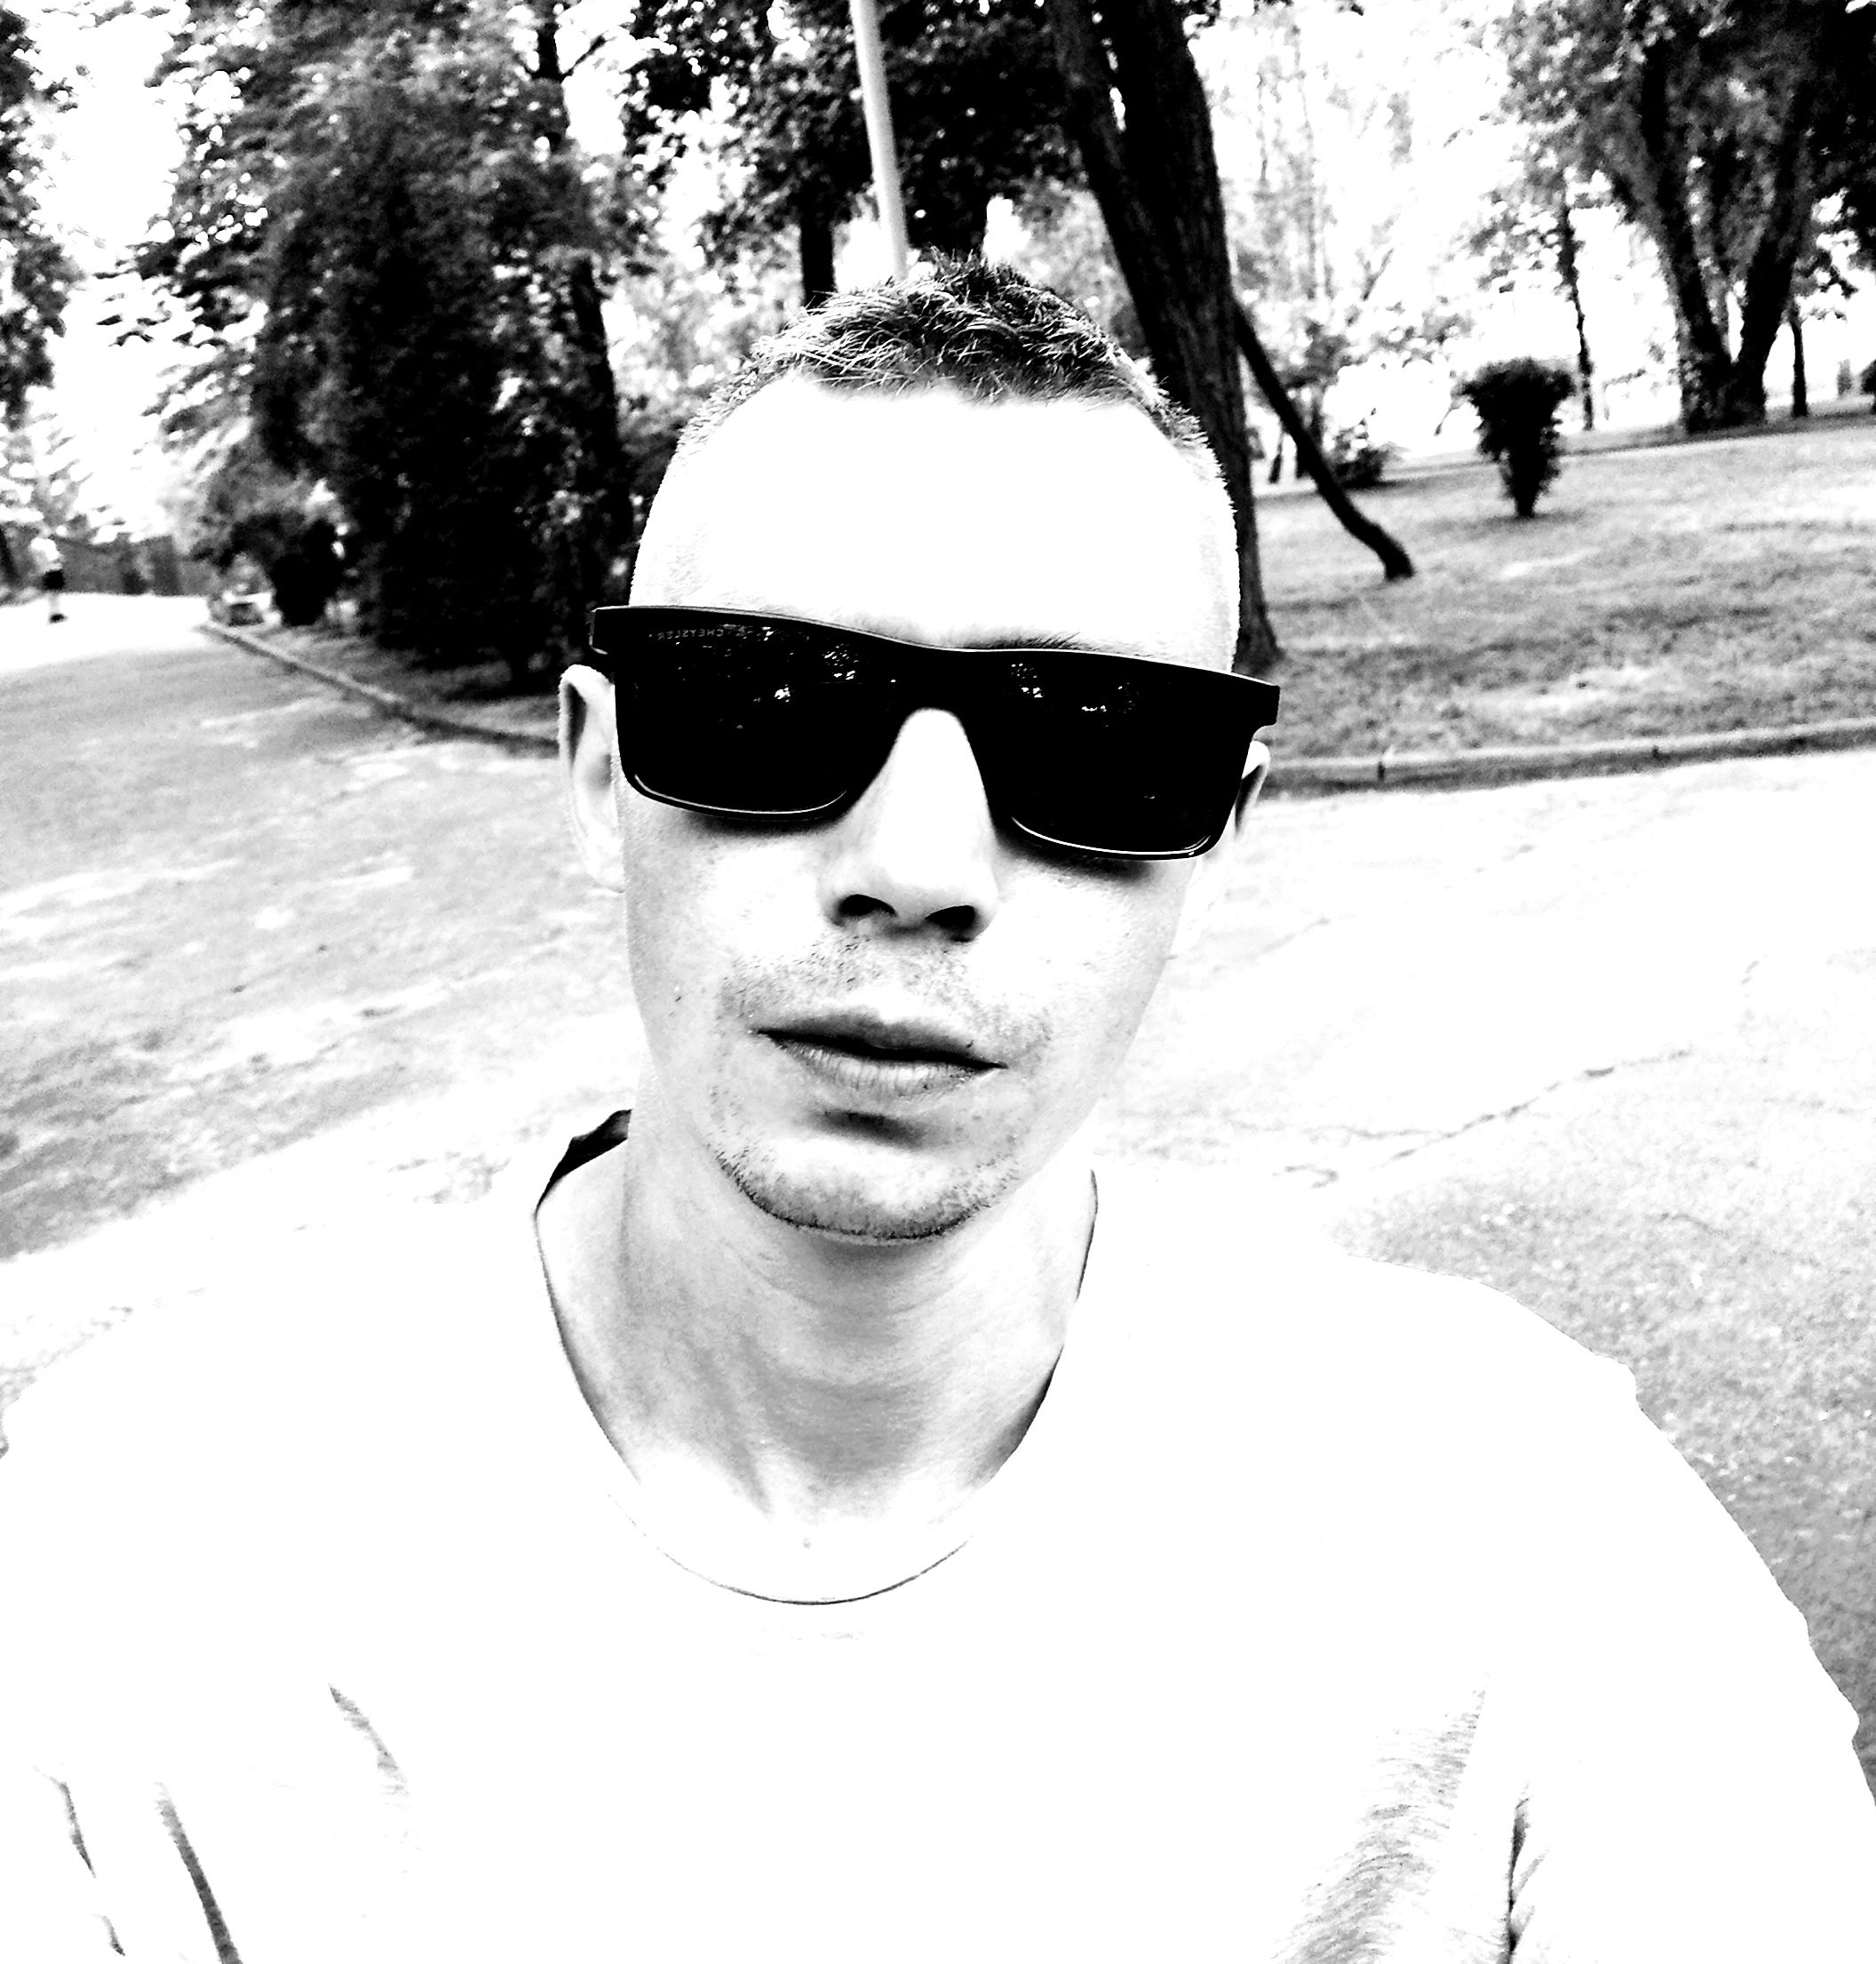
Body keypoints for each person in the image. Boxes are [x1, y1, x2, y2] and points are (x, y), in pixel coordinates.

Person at [1, 263, 1872, 1961]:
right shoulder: (133, 1548)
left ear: (1217, 830)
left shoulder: (1514, 1510)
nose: (915, 865)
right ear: (598, 773)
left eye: (1095, 740)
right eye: (766, 702)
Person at [25, 524, 65, 624]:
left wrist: (60, 557)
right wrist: (43, 565)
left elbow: (55, 553)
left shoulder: (50, 542)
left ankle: (57, 612)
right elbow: (37, 556)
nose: (47, 532)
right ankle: (52, 613)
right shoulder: (36, 543)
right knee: (51, 591)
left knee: (57, 590)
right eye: (45, 530)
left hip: (57, 567)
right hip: (47, 569)